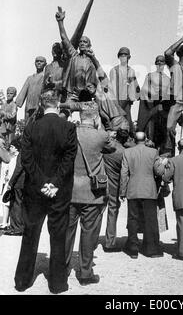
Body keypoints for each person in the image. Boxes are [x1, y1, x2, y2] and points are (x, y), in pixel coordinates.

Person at [14, 90, 77, 294]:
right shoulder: (68, 127)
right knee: (58, 236)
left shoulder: (31, 128)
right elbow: (69, 160)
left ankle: (22, 281)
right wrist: (54, 183)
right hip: (59, 191)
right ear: (58, 104)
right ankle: (57, 284)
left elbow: (26, 159)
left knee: (30, 234)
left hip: (34, 190)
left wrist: (42, 183)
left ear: (41, 105)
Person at [65, 104, 115, 285]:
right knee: (89, 234)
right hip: (93, 193)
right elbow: (112, 148)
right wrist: (100, 127)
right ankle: (85, 273)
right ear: (95, 118)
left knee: (67, 232)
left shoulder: (69, 133)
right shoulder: (101, 135)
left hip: (70, 191)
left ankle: (62, 270)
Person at [120, 132, 163, 259]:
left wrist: (122, 191)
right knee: (150, 219)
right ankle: (151, 249)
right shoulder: (153, 152)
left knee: (133, 218)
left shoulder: (127, 152)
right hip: (149, 189)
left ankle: (133, 248)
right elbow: (158, 171)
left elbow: (124, 173)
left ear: (134, 139)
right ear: (145, 140)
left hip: (133, 189)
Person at [55, 6, 98, 102]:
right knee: (63, 114)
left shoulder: (92, 61)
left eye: (85, 42)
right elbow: (64, 38)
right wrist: (60, 22)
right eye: (80, 41)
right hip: (73, 94)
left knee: (92, 114)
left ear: (89, 45)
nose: (82, 43)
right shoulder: (74, 56)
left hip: (87, 94)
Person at [102, 128, 129, 252]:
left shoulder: (107, 147)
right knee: (113, 211)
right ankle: (110, 242)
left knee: (96, 212)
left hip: (101, 182)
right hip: (114, 185)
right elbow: (124, 172)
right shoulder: (124, 152)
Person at [137, 55, 171, 152]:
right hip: (151, 105)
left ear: (164, 64)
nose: (160, 63)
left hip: (162, 106)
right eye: (158, 62)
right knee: (150, 124)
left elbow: (168, 93)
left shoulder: (167, 79)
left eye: (162, 62)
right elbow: (144, 89)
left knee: (162, 129)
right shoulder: (150, 75)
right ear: (156, 64)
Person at [109, 47, 140, 135]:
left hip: (127, 100)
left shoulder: (131, 70)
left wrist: (138, 94)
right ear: (119, 57)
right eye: (121, 55)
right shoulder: (114, 70)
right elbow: (112, 87)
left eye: (125, 55)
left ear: (129, 57)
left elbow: (135, 85)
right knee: (117, 120)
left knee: (128, 119)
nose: (123, 57)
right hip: (118, 100)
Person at [3, 137, 25, 236]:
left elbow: (18, 169)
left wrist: (11, 183)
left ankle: (16, 228)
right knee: (18, 205)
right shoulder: (27, 153)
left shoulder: (21, 155)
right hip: (23, 184)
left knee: (16, 205)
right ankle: (17, 227)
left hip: (18, 183)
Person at [16, 56, 47, 122]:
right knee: (27, 125)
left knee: (38, 124)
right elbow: (23, 91)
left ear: (45, 64)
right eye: (37, 61)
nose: (39, 63)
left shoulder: (46, 77)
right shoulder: (30, 78)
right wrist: (16, 103)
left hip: (39, 105)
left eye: (41, 61)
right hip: (29, 105)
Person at [0, 141, 19, 230]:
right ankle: (6, 223)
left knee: (10, 203)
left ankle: (10, 224)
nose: (10, 148)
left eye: (12, 146)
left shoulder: (17, 158)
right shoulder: (12, 157)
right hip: (9, 182)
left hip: (12, 183)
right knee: (6, 202)